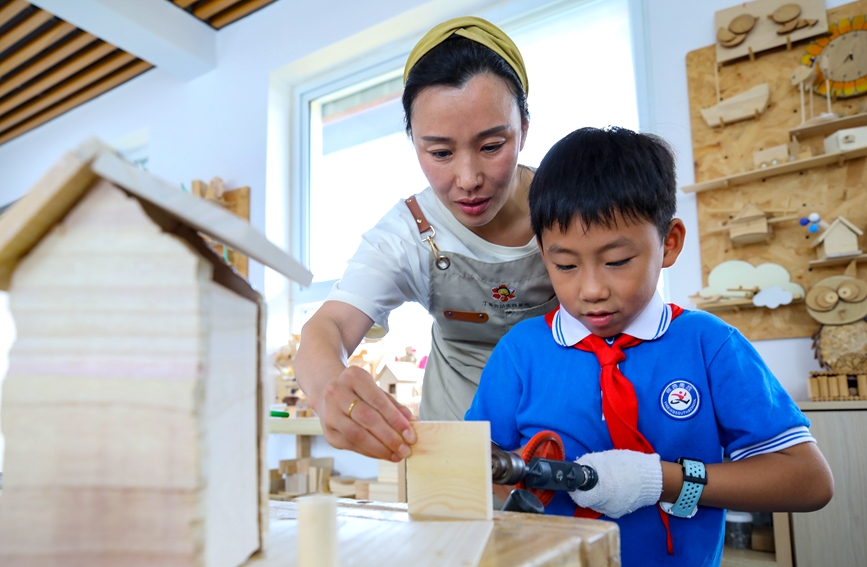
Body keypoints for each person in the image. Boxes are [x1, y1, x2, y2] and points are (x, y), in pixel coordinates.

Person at [465, 127, 834, 566]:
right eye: (564, 264)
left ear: (669, 243)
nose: (592, 289)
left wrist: (663, 480)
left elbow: (810, 482)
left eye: (617, 261)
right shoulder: (521, 353)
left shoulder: (709, 345)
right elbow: (474, 468)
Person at [294, 17, 557, 463]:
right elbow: (329, 327)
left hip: (569, 441)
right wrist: (328, 390)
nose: (468, 179)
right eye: (439, 153)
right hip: (460, 454)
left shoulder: (570, 205)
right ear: (412, 141)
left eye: (492, 146)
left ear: (525, 129)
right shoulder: (406, 235)